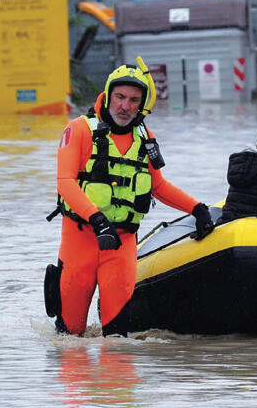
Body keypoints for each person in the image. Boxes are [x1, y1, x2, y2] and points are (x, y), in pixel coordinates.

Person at [44, 60, 215, 336]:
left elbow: (158, 185)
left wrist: (197, 208)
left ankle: (117, 379)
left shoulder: (145, 137)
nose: (125, 106)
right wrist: (98, 220)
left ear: (142, 104)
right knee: (70, 337)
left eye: (134, 100)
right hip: (81, 240)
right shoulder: (78, 130)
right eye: (120, 97)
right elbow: (65, 183)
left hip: (121, 244)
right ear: (109, 95)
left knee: (117, 341)